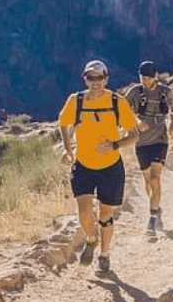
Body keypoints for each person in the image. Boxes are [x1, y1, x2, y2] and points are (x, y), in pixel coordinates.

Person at [58, 59, 139, 273]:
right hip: (83, 165)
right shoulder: (76, 101)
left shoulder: (117, 102)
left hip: (110, 167)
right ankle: (92, 239)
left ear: (106, 79)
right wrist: (68, 149)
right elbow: (63, 122)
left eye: (99, 78)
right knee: (84, 213)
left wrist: (115, 145)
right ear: (85, 79)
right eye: (91, 78)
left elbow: (134, 134)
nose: (95, 82)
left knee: (105, 215)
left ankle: (105, 254)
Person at [126, 60, 173, 236]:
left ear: (155, 76)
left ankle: (152, 218)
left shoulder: (165, 91)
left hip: (160, 140)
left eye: (148, 78)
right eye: (142, 78)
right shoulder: (135, 92)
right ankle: (156, 207)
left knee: (155, 180)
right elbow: (122, 108)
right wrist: (136, 121)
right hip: (141, 142)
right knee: (148, 182)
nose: (145, 82)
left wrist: (172, 125)